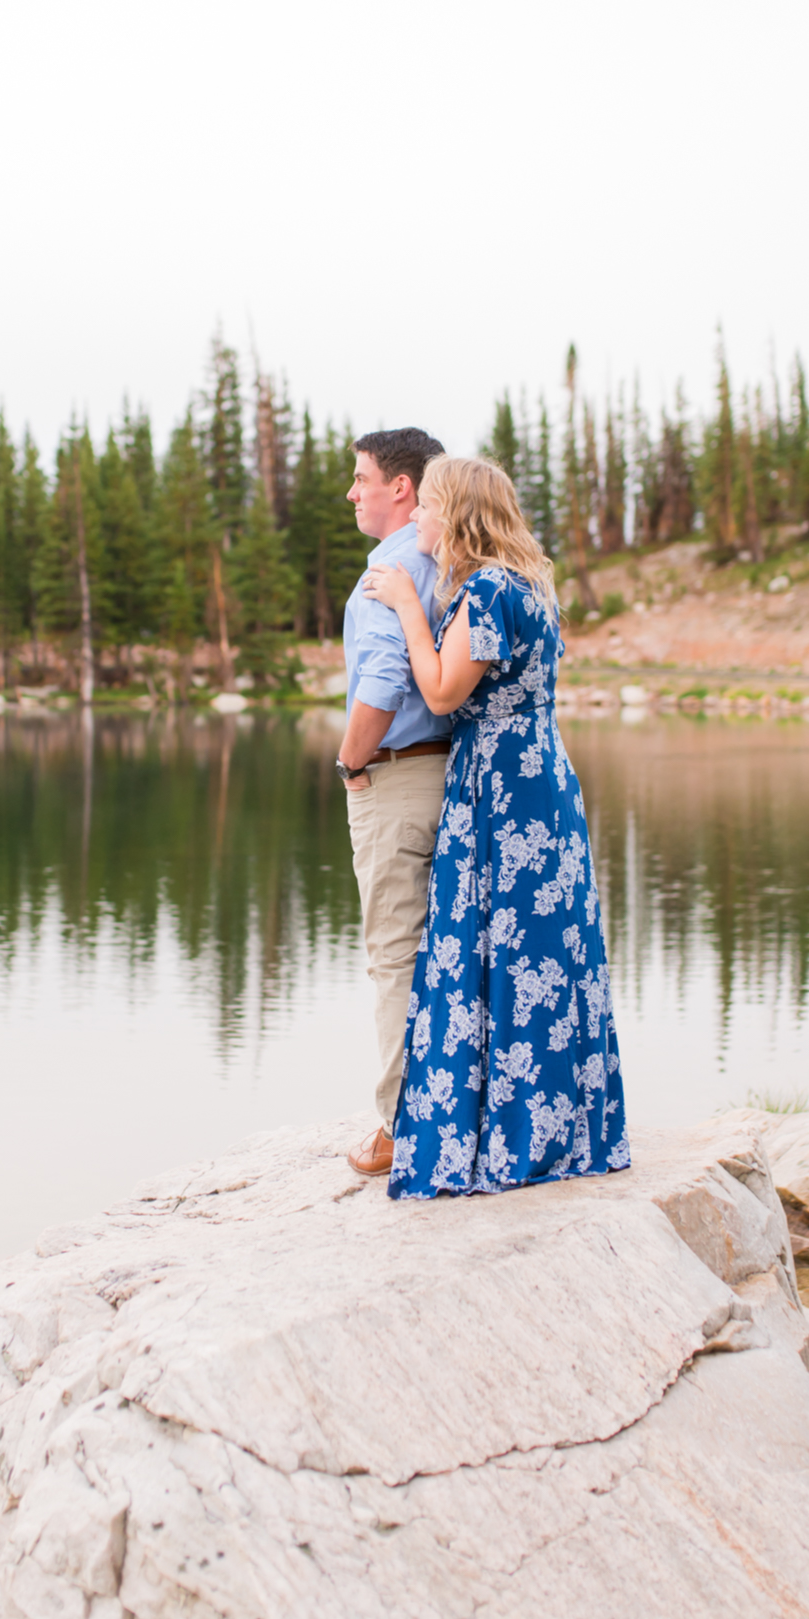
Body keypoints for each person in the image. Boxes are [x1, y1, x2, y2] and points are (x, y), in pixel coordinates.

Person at [363, 454, 630, 1198]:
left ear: (457, 514)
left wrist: (410, 613)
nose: (417, 516)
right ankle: (554, 1129)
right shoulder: (529, 585)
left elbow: (445, 693)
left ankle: (498, 1137)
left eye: (428, 506)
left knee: (498, 950)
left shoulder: (483, 589)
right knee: (540, 954)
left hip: (501, 789)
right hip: (542, 776)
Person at [337, 427, 453, 1177]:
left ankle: (398, 1128)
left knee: (394, 955)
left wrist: (349, 761)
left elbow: (382, 683)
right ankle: (455, 1108)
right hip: (455, 774)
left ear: (401, 489)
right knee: (450, 951)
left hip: (398, 773)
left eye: (361, 478)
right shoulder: (452, 554)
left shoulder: (393, 562)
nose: (353, 493)